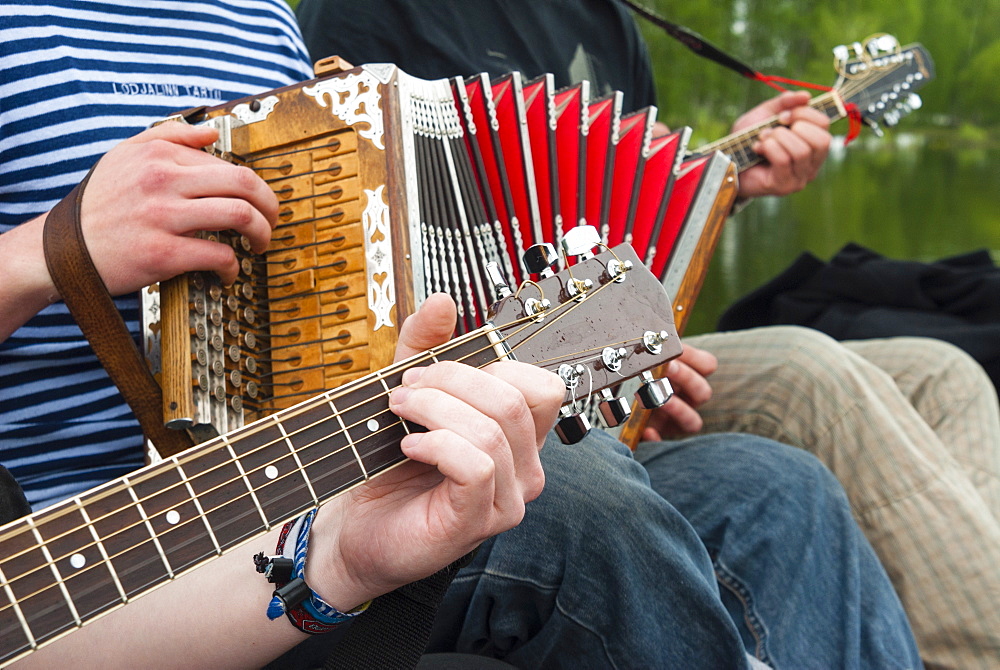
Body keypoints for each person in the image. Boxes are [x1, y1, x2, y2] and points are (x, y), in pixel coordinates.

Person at [1, 1, 923, 668]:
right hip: (111, 529)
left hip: (312, 449)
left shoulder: (254, 16)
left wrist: (567, 358)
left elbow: (342, 290)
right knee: (576, 493)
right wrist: (51, 250)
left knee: (774, 486)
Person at [296, 0, 1000, 667]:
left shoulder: (608, 20)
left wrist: (721, 186)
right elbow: (382, 262)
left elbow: (622, 217)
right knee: (810, 376)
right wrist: (607, 355)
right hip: (483, 364)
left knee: (944, 372)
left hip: (614, 343)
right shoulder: (375, 14)